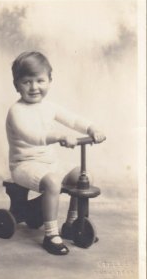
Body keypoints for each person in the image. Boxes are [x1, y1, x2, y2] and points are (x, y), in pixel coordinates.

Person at [6, 51, 106, 255]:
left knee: (82, 175)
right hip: (24, 164)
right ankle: (51, 234)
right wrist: (58, 137)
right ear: (16, 85)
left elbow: (73, 119)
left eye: (40, 80)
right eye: (27, 82)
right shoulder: (16, 111)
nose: (34, 87)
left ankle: (71, 224)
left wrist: (91, 128)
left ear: (50, 81)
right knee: (52, 182)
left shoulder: (49, 107)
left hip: (48, 163)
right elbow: (31, 135)